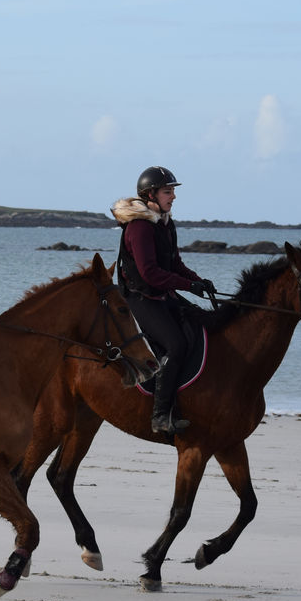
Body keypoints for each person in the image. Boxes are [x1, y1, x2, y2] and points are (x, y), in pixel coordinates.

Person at [112, 166, 215, 435]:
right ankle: (160, 416)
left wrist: (198, 281)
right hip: (140, 298)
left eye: (173, 191)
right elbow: (150, 273)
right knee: (176, 345)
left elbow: (175, 264)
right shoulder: (139, 227)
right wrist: (187, 285)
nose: (173, 197)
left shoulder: (166, 223)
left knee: (202, 325)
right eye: (168, 191)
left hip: (161, 293)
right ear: (150, 195)